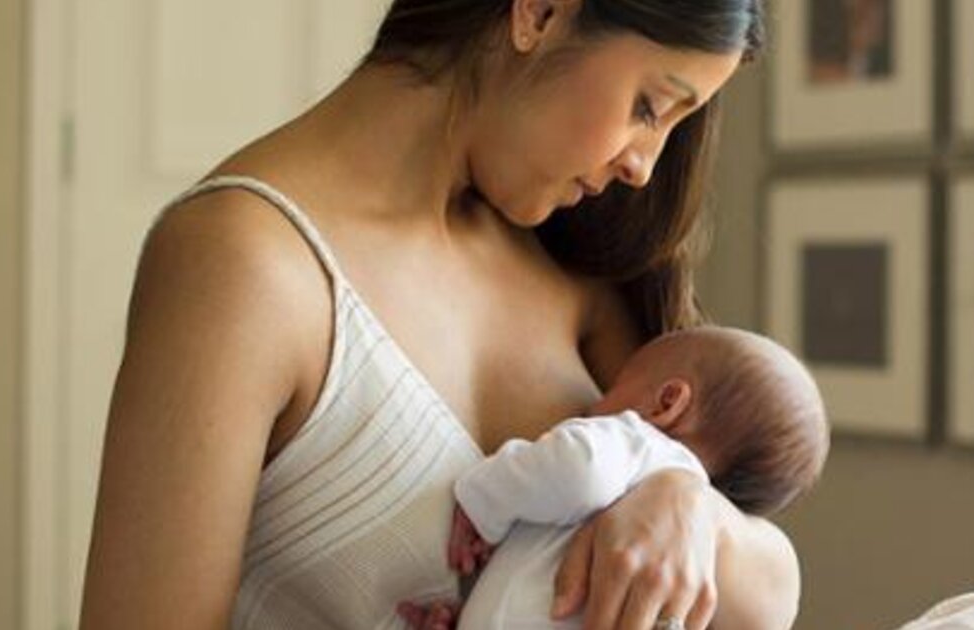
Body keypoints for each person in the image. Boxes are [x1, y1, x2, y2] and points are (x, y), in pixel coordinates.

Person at [78, 1, 801, 629]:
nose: (644, 165)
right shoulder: (244, 266)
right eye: (649, 106)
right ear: (541, 11)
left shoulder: (586, 278)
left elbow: (775, 592)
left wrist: (689, 506)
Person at [397, 327, 829, 630]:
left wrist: (482, 502)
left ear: (667, 402)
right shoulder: (687, 555)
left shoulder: (644, 444)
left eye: (616, 386)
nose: (596, 404)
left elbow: (577, 469)